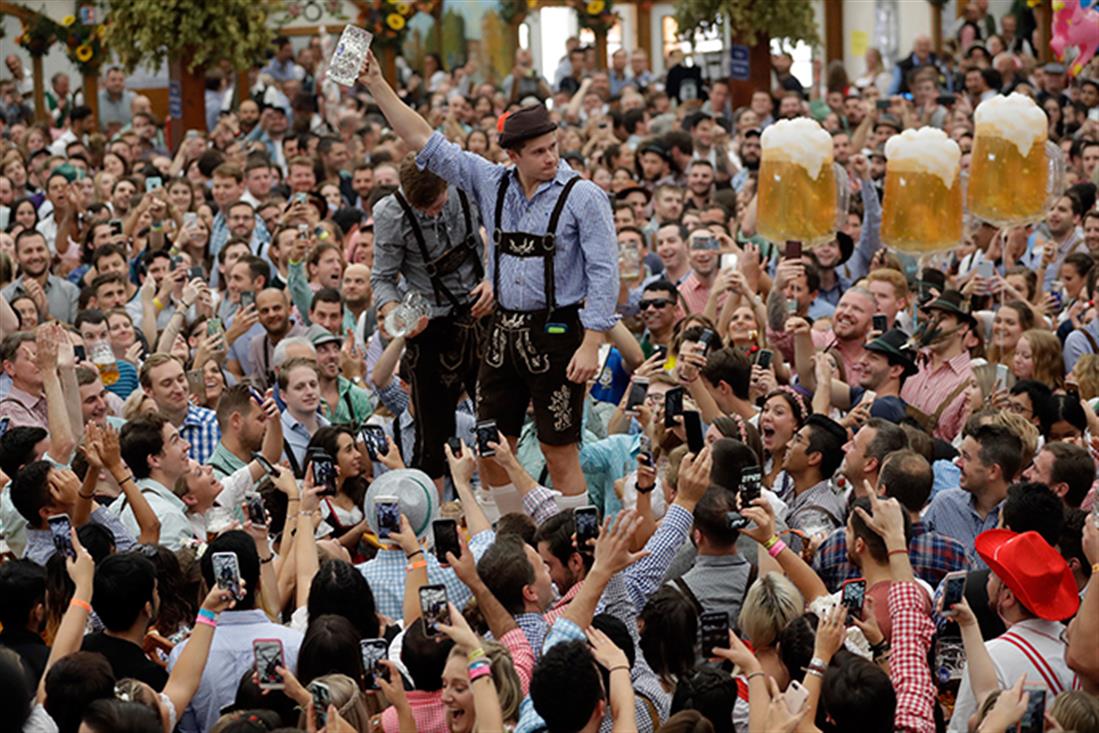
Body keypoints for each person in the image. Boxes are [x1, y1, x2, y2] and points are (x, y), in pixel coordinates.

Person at [360, 51, 618, 512]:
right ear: (513, 155)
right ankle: (509, 533)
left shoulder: (584, 197)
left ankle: (573, 543)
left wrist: (593, 340)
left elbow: (604, 269)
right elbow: (423, 140)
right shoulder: (490, 181)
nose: (551, 159)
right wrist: (379, 84)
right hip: (502, 332)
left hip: (558, 332)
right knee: (490, 445)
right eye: (539, 152)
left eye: (554, 147)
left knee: (560, 449)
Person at [371, 153, 489, 484]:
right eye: (423, 210)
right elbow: (382, 278)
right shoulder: (389, 214)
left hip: (483, 311)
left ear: (446, 183)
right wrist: (395, 313)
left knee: (497, 424)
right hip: (431, 327)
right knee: (431, 443)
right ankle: (435, 529)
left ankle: (502, 512)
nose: (431, 214)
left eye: (437, 205)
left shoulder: (468, 185)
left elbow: (503, 234)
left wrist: (493, 279)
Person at [947, 529, 1080, 732]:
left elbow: (960, 727)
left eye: (993, 575)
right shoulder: (1079, 648)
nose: (987, 579)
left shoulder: (989, 657)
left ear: (1007, 597)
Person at [924, 422, 1023, 554]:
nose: (957, 463)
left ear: (993, 471)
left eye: (966, 457)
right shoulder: (944, 504)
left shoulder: (1021, 520)